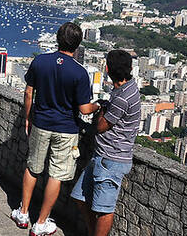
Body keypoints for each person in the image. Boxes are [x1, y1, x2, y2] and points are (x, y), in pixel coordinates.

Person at [10, 22, 100, 235]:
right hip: (67, 129)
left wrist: (27, 117)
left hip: (41, 123)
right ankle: (40, 223)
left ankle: (23, 213)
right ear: (77, 45)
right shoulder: (80, 73)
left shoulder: (40, 61)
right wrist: (100, 105)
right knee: (56, 175)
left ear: (58, 39)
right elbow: (85, 109)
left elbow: (29, 92)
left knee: (32, 167)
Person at [71, 50, 140, 236]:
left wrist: (102, 107)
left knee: (103, 209)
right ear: (130, 69)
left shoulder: (122, 97)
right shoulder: (126, 89)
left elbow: (101, 126)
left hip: (112, 159)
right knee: (79, 197)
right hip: (101, 156)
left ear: (108, 69)